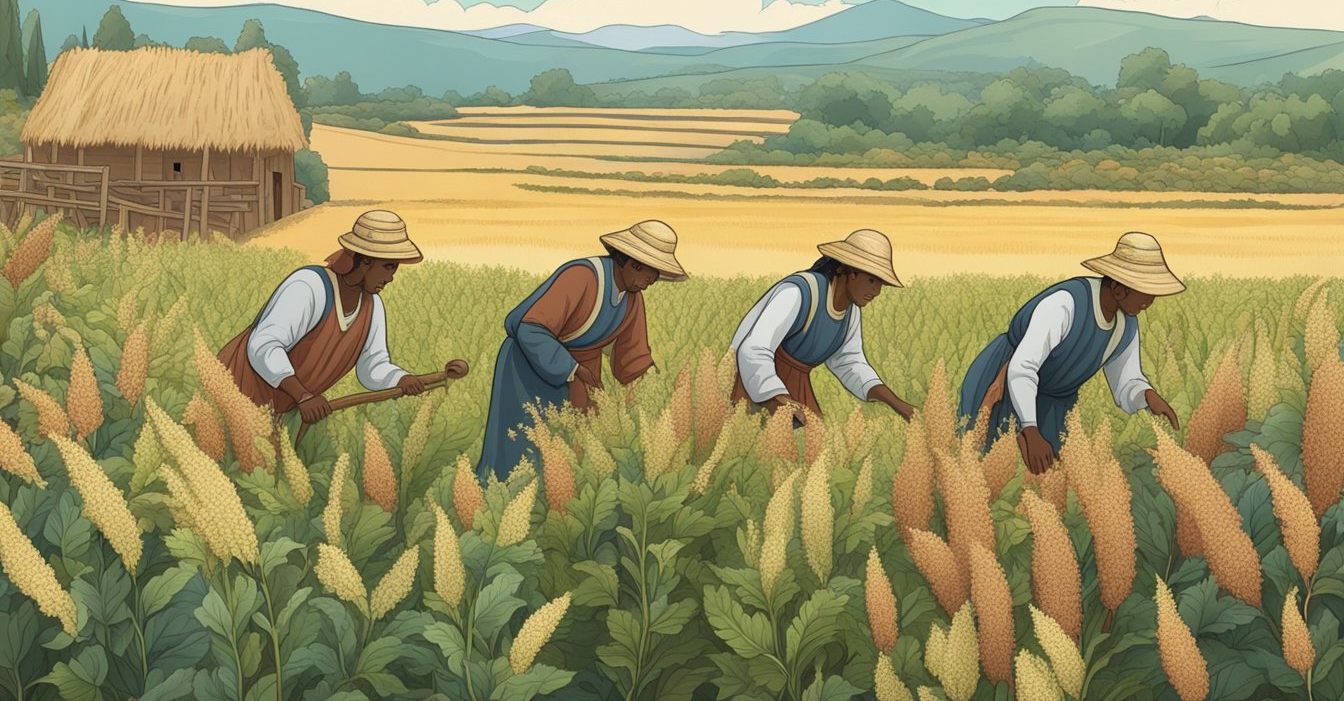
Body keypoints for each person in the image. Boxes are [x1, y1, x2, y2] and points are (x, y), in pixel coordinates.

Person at [218, 209, 468, 433]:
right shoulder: (309, 286)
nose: (391, 277)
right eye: (389, 267)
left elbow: (372, 367)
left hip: (281, 413)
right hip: (230, 396)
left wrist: (401, 379)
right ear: (365, 261)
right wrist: (303, 396)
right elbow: (264, 346)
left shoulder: (372, 306)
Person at [476, 220, 687, 481]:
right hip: (529, 367)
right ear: (633, 262)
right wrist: (572, 370)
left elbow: (633, 359)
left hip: (581, 375)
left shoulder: (632, 299)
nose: (652, 280)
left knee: (571, 455)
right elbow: (530, 329)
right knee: (520, 445)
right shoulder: (582, 276)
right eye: (652, 272)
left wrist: (657, 392)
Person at [958, 231, 1184, 475]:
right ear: (1119, 289)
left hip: (1054, 404)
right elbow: (1023, 368)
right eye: (1146, 292)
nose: (1149, 301)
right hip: (1005, 384)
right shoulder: (1065, 304)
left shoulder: (1126, 325)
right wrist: (1030, 429)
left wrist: (1148, 396)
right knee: (980, 463)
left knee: (1046, 476)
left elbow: (1126, 381)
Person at [730, 229, 917, 425]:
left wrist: (899, 405)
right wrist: (778, 400)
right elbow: (754, 348)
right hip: (753, 380)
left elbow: (850, 363)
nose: (876, 291)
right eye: (872, 280)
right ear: (849, 271)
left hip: (795, 388)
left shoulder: (850, 313)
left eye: (881, 283)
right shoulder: (798, 293)